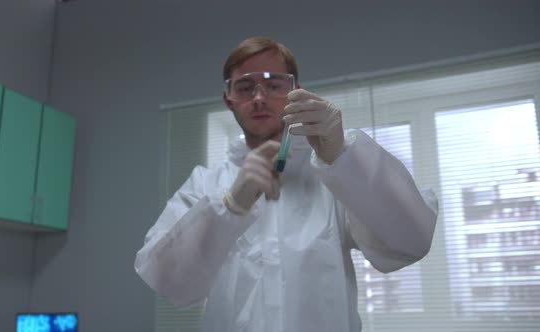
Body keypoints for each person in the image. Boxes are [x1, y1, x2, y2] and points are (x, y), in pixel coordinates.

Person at [135, 37, 438, 332]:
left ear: (295, 91)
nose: (259, 97)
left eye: (273, 84)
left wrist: (343, 159)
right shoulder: (206, 184)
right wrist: (228, 207)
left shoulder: (334, 174)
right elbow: (169, 282)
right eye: (245, 87)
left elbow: (410, 242)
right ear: (228, 100)